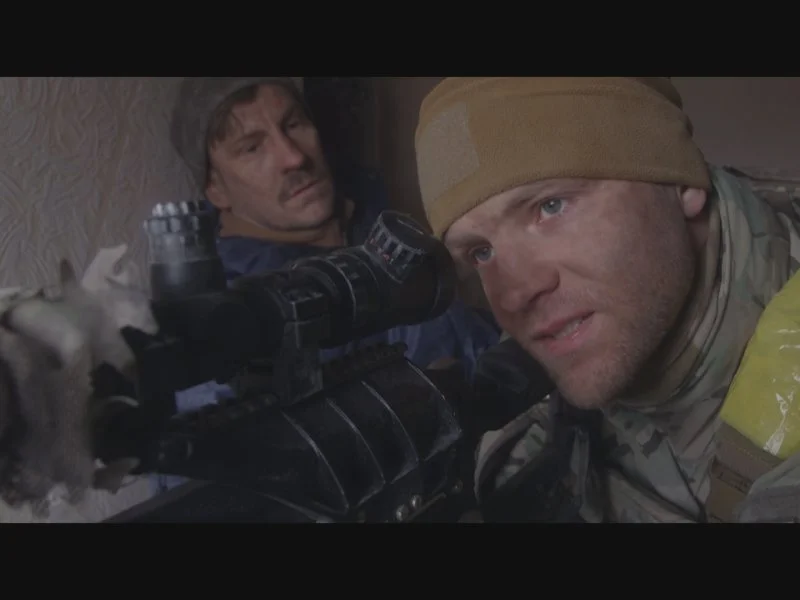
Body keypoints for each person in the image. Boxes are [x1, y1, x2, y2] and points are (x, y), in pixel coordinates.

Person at [412, 76, 800, 523]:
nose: (517, 293)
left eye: (552, 206)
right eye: (481, 252)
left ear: (681, 182)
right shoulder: (556, 342)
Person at [159, 78, 500, 490]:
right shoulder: (233, 318)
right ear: (215, 188)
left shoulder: (372, 221)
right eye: (251, 148)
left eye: (294, 124)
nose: (293, 157)